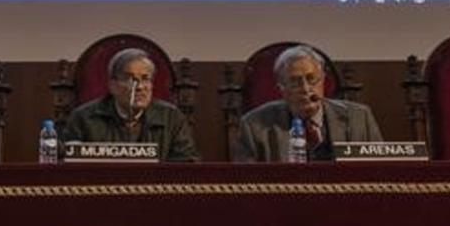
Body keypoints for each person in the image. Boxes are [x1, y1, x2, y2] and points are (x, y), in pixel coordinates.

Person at [232, 45, 383, 162]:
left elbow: (380, 172)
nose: (305, 89)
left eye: (311, 79)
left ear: (323, 80)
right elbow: (246, 184)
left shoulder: (359, 118)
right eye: (295, 82)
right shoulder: (254, 126)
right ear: (282, 89)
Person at [61, 48, 198, 161]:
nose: (139, 87)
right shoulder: (83, 118)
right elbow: (66, 163)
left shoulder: (171, 117)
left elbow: (187, 165)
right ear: (112, 85)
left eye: (145, 79)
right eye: (130, 79)